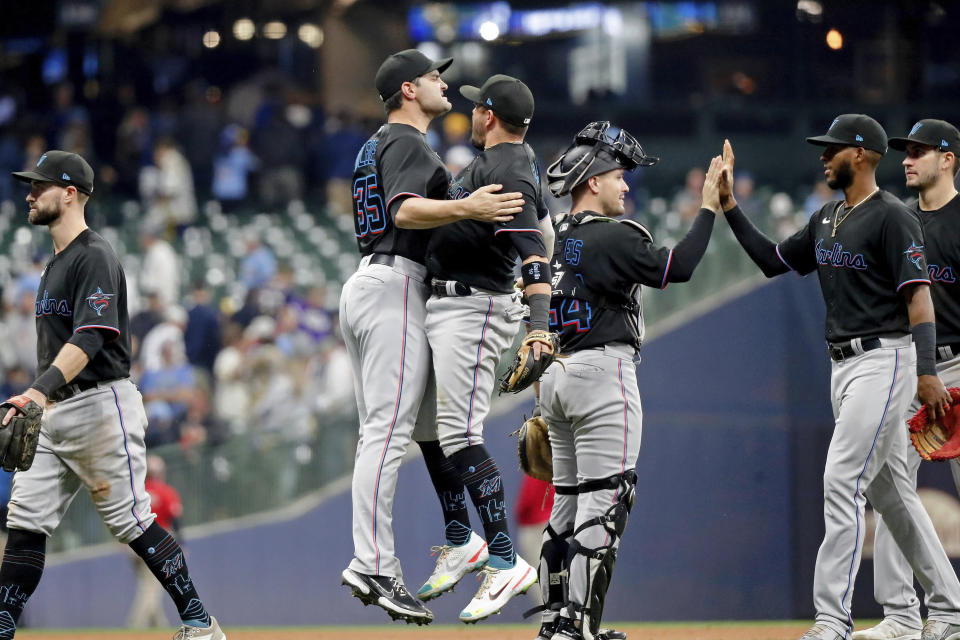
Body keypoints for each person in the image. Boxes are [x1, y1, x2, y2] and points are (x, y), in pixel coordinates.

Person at [717, 115, 960, 640]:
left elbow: (919, 298)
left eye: (833, 149)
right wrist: (731, 206)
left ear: (863, 155)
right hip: (842, 365)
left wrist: (925, 371)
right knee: (893, 491)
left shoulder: (893, 216)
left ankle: (832, 618)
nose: (823, 157)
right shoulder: (827, 217)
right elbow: (771, 260)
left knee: (841, 479)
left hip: (885, 359)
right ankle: (950, 609)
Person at [1, 150, 225, 640]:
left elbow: (91, 336)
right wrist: (42, 398)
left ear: (71, 193)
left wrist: (36, 393)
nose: (30, 193)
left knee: (132, 521)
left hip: (101, 404)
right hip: (53, 411)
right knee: (24, 525)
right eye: (30, 185)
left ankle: (200, 623)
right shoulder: (53, 265)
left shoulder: (94, 254)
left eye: (40, 185)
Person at [338, 49, 525, 625]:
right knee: (387, 434)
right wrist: (467, 204)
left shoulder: (381, 143)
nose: (442, 82)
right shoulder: (405, 140)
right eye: (432, 76)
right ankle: (372, 564)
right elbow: (404, 212)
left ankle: (461, 537)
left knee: (424, 428)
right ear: (406, 90)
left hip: (383, 283)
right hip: (395, 283)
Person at [534, 122, 722, 640]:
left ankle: (555, 622)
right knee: (606, 502)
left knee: (566, 506)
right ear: (592, 180)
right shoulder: (614, 235)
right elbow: (678, 268)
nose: (626, 186)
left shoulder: (557, 238)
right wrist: (708, 206)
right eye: (620, 176)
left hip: (555, 377)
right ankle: (580, 628)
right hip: (600, 374)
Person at [413, 74, 551, 623]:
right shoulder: (505, 162)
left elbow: (535, 254)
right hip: (454, 305)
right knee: (429, 430)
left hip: (475, 308)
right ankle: (460, 537)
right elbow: (545, 230)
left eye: (476, 108)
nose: (470, 114)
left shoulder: (509, 166)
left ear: (489, 116)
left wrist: (538, 326)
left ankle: (502, 558)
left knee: (459, 435)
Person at [854, 119, 960, 640]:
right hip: (919, 369)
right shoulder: (900, 221)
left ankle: (951, 615)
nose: (907, 159)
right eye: (905, 152)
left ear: (949, 159)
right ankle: (900, 612)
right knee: (891, 480)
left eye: (920, 151)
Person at [127, 455, 183, 628]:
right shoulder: (166, 491)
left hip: (133, 542)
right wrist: (183, 543)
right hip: (158, 543)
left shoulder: (137, 492)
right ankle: (135, 626)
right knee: (151, 588)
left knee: (148, 584)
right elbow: (176, 520)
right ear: (160, 473)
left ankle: (159, 627)